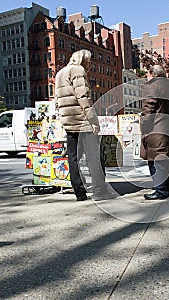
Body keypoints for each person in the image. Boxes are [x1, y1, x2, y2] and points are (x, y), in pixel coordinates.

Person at [55, 49, 111, 201]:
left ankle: (80, 193)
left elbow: (56, 101)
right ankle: (100, 191)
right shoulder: (78, 70)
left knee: (73, 158)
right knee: (95, 158)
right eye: (89, 61)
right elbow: (83, 97)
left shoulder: (60, 73)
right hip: (83, 122)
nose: (90, 64)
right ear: (82, 60)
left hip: (69, 123)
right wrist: (94, 120)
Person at [140, 65, 169, 200]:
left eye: (147, 74)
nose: (146, 76)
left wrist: (143, 126)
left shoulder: (152, 86)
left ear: (152, 74)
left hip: (157, 130)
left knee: (156, 161)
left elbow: (148, 111)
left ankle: (161, 191)